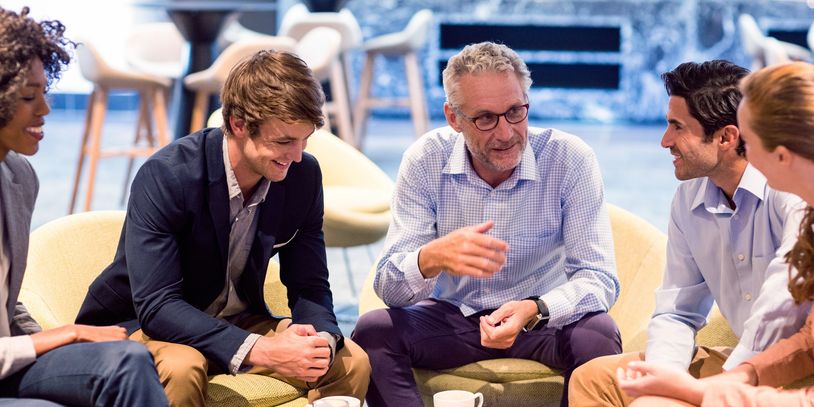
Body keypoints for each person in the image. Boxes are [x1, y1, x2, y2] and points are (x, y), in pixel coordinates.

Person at [75, 49, 370, 406]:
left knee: (350, 362)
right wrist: (261, 349)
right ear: (238, 124)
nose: (296, 155)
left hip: (235, 321)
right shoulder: (168, 175)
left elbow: (310, 285)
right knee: (183, 367)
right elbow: (158, 306)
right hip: (144, 326)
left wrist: (321, 338)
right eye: (283, 141)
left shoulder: (302, 176)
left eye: (304, 140)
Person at [351, 41, 622, 407]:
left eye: (515, 112)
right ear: (453, 118)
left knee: (600, 334)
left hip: (539, 320)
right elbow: (390, 288)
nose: (506, 133)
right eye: (485, 119)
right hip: (453, 317)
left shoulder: (569, 159)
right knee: (374, 332)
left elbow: (599, 278)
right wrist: (430, 258)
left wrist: (536, 308)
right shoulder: (425, 160)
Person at [569, 60, 809, 406]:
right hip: (746, 364)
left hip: (788, 369)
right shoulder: (688, 198)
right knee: (595, 379)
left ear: (727, 137)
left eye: (677, 127)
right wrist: (664, 376)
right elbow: (677, 310)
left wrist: (727, 383)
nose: (664, 141)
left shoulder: (792, 192)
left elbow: (780, 305)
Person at [0, 6, 168, 406]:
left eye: (44, 92)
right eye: (28, 97)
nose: (45, 109)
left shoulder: (18, 177)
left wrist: (53, 341)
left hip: (10, 358)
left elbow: (7, 299)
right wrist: (65, 335)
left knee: (126, 356)